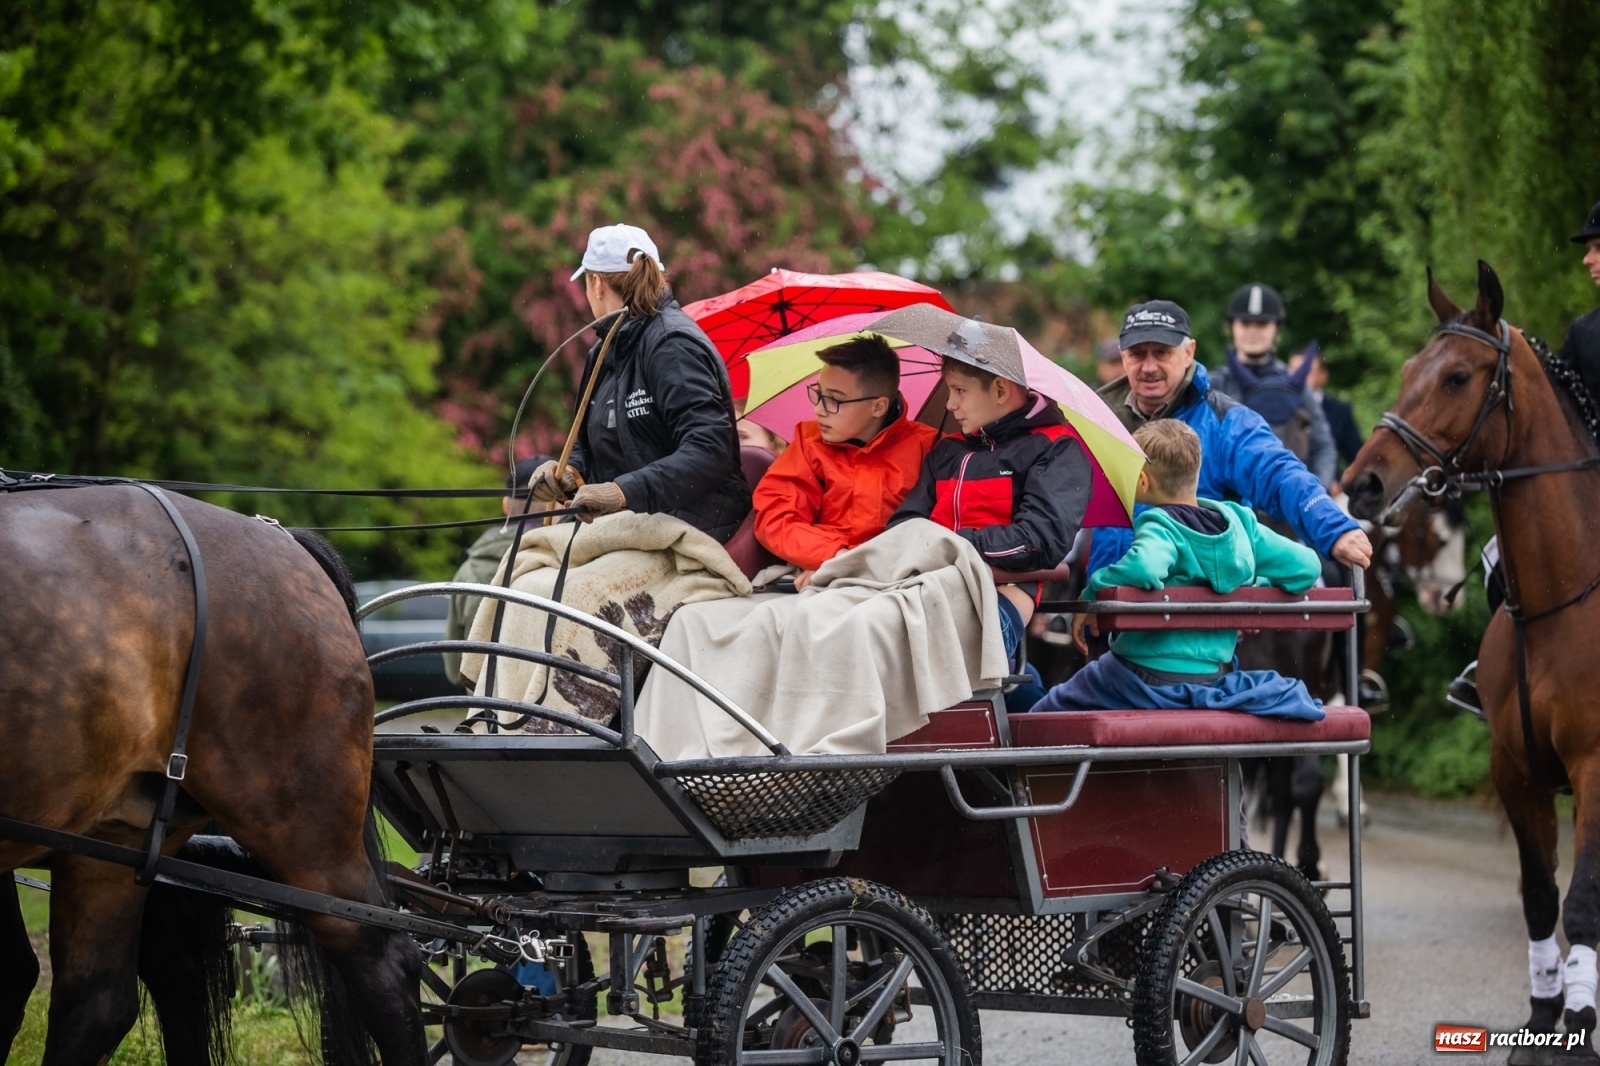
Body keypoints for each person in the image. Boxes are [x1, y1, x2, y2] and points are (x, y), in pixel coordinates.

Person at [1031, 419, 1324, 718]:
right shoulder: (1242, 525)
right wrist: (1252, 589)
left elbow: (1145, 568)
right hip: (1211, 677)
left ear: (1143, 480)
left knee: (1046, 713)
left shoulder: (1161, 526)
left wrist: (1093, 594)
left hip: (1138, 676)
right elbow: (1306, 567)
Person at [1091, 299, 1371, 581]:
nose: (1149, 366)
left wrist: (1334, 529)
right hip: (1104, 601)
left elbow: (1281, 474)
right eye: (1137, 354)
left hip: (1196, 604)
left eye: (1162, 352)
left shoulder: (1227, 421)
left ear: (1188, 353)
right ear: (1123, 356)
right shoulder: (1095, 421)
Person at [1449, 199, 1600, 715]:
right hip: (1588, 486)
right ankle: (1495, 671)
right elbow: (1557, 413)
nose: (1588, 259)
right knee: (1500, 558)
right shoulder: (1585, 333)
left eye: (1597, 248)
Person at [890, 355, 1093, 712]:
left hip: (1001, 591)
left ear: (1000, 390)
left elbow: (1039, 540)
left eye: (959, 391)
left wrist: (948, 547)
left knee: (915, 654)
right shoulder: (946, 449)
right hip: (919, 587)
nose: (950, 404)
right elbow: (902, 527)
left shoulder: (1056, 448)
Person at [529, 224, 750, 541]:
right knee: (523, 561)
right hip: (630, 526)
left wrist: (622, 492)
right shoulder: (601, 353)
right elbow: (589, 451)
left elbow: (708, 452)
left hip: (695, 526)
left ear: (597, 283)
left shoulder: (672, 344)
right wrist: (569, 474)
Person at [752, 334, 937, 590]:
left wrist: (852, 564)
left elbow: (938, 531)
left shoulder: (930, 447)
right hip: (820, 574)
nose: (819, 409)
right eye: (818, 394)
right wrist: (834, 556)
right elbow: (775, 520)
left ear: (878, 407)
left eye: (834, 400)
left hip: (899, 580)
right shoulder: (809, 443)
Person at [1208, 283, 1337, 487]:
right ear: (1231, 326)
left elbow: (1323, 446)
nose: (1253, 331)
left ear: (1277, 328)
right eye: (1245, 323)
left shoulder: (1295, 385)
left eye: (1262, 323)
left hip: (1288, 496)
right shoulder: (1215, 383)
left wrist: (1315, 492)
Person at [443, 457, 547, 687]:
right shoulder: (576, 568)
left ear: (506, 505)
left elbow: (455, 668)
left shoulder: (470, 572)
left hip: (485, 706)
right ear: (561, 507)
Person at [1289, 348, 1364, 475]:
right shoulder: (1278, 409)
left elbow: (1356, 457)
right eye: (1294, 372)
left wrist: (1340, 481)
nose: (1299, 378)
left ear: (1323, 376)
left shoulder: (1340, 411)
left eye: (1307, 372)